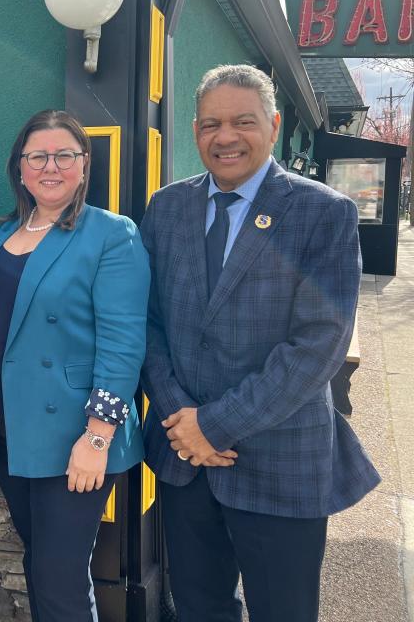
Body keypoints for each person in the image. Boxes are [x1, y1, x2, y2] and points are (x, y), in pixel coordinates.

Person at [139, 64, 380, 622]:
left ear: (273, 125)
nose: (225, 137)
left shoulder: (323, 213)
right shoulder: (166, 207)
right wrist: (178, 414)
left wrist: (213, 426)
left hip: (280, 460)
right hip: (184, 460)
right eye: (210, 124)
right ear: (195, 131)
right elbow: (146, 322)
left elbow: (318, 344)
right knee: (199, 608)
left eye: (243, 122)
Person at [0, 110, 150, 621]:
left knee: (60, 575)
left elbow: (123, 342)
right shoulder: (4, 232)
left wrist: (97, 437)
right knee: (40, 563)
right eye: (38, 156)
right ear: (20, 168)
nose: (51, 166)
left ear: (84, 165)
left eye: (64, 155)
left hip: (74, 431)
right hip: (9, 425)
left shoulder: (111, 234)